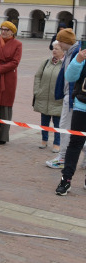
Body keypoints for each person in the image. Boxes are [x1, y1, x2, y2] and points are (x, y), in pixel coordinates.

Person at [45, 29, 80, 169]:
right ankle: (64, 156)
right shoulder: (71, 53)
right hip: (69, 96)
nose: (58, 43)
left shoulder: (76, 53)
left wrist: (70, 96)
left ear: (65, 41)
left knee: (66, 128)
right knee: (70, 128)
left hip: (73, 97)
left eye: (60, 41)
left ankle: (63, 157)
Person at [55, 43, 86, 196]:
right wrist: (78, 60)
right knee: (75, 143)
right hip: (82, 106)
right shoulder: (83, 54)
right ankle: (66, 179)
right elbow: (70, 77)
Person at [33, 41, 63, 151]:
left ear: (63, 51)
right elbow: (37, 76)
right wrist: (37, 91)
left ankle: (57, 143)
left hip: (57, 99)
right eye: (53, 48)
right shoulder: (46, 62)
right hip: (44, 97)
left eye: (57, 48)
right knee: (44, 121)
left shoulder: (65, 64)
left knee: (58, 123)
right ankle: (44, 140)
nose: (54, 50)